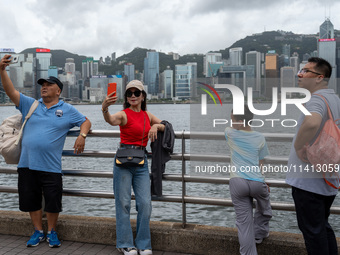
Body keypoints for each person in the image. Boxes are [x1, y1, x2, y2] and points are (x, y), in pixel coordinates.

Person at [0, 55, 91, 248]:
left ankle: (51, 232)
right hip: (27, 163)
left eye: (49, 85)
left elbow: (86, 121)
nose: (44, 87)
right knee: (31, 200)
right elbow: (10, 91)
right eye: (42, 84)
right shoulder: (30, 104)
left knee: (52, 201)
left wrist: (81, 136)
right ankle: (37, 231)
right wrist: (1, 70)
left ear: (58, 90)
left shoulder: (66, 109)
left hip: (51, 166)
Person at [102, 80, 165, 255]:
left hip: (141, 162)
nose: (133, 96)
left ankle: (143, 244)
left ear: (143, 96)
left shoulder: (147, 115)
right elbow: (111, 120)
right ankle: (124, 243)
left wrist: (155, 125)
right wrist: (105, 109)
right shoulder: (124, 114)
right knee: (123, 204)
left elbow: (165, 125)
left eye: (136, 93)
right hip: (122, 163)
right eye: (129, 93)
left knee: (145, 204)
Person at [286, 57, 339, 255]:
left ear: (319, 77)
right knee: (322, 229)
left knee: (313, 233)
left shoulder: (316, 99)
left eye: (305, 71)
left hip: (309, 181)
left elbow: (311, 123)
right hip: (327, 177)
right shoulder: (334, 99)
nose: (300, 74)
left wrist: (299, 147)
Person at [225, 105, 272, 255]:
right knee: (265, 210)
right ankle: (259, 234)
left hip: (238, 182)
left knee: (244, 224)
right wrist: (264, 180)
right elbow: (261, 162)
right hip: (257, 182)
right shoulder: (260, 137)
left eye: (232, 119)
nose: (230, 122)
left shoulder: (229, 133)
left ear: (239, 121)